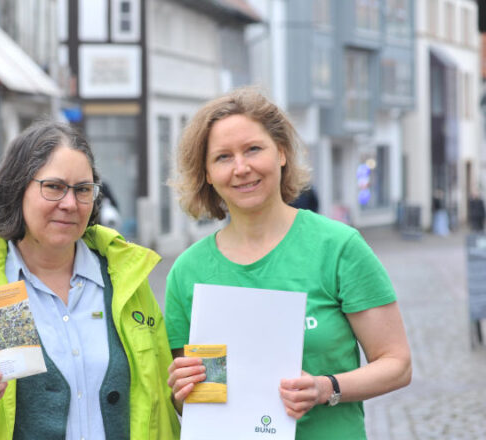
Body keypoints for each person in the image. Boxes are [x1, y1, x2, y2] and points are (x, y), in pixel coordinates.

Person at [0, 121, 180, 439]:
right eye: (53, 187)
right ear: (17, 189)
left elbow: (163, 405)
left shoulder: (125, 283)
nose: (69, 203)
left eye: (82, 189)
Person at [164, 87, 411, 439]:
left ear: (281, 152)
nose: (241, 168)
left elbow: (397, 364)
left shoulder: (338, 247)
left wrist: (327, 388)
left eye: (253, 149)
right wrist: (181, 390)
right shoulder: (188, 272)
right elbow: (192, 402)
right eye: (222, 157)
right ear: (205, 173)